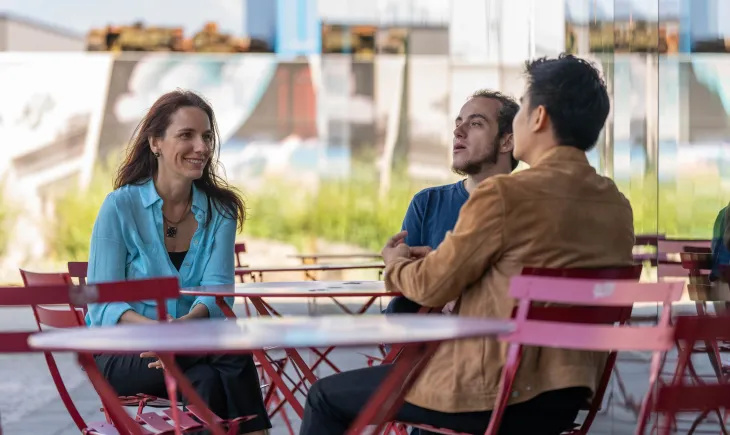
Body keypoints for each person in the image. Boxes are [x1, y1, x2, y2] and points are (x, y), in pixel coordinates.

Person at [299, 54, 635, 435]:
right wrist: (444, 259)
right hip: (565, 397)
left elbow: (431, 287)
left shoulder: (504, 195)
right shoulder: (617, 205)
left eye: (522, 108)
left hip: (490, 390)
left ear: (538, 118)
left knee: (325, 397)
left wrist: (396, 262)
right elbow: (530, 273)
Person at [86, 90, 271, 435]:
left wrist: (181, 331)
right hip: (125, 351)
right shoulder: (119, 207)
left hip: (192, 346)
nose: (201, 147)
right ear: (155, 142)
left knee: (204, 377)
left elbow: (218, 293)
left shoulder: (221, 211)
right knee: (231, 354)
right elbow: (103, 303)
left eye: (206, 137)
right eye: (186, 135)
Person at [384, 89, 520, 315]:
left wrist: (397, 266)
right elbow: (404, 291)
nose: (458, 132)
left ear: (507, 141)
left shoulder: (529, 207)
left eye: (476, 124)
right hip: (415, 343)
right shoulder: (426, 202)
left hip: (487, 344)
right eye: (458, 123)